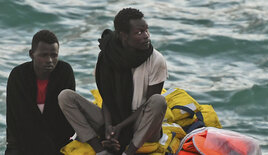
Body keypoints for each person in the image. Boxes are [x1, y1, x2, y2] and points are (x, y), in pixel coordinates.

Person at [58, 8, 168, 155]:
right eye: (139, 32)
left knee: (159, 101)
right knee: (65, 97)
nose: (146, 36)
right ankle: (100, 150)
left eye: (147, 30)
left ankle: (128, 152)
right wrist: (109, 126)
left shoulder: (156, 60)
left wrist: (120, 127)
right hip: (113, 116)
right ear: (124, 36)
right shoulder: (107, 57)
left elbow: (148, 105)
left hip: (140, 122)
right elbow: (107, 99)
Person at [5, 30, 75, 155]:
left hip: (58, 143)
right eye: (43, 55)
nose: (49, 60)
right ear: (31, 54)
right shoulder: (18, 75)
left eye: (54, 55)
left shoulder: (65, 72)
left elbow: (66, 119)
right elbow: (17, 120)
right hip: (23, 144)